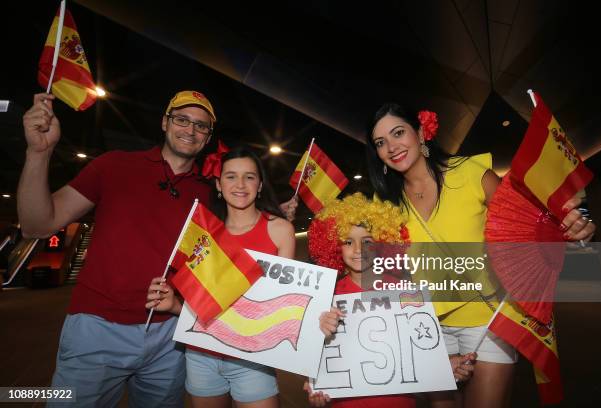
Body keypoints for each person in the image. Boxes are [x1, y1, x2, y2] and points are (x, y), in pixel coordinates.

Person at [365, 103, 596, 408]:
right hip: (427, 328)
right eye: (381, 143)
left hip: (489, 321)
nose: (392, 147)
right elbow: (387, 273)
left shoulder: (470, 173)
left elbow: (525, 224)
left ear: (421, 133)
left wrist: (573, 231)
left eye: (398, 133)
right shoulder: (383, 203)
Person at [18, 90, 217, 407]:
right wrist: (39, 153)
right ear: (165, 122)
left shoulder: (211, 194)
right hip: (96, 328)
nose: (191, 130)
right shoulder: (113, 166)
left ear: (207, 138)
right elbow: (37, 225)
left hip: (170, 337)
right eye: (182, 119)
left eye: (201, 126)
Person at [146, 146, 341, 408]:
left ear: (260, 185)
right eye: (230, 176)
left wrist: (317, 315)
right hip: (202, 353)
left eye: (249, 177)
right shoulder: (201, 234)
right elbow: (203, 307)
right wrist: (172, 306)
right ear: (218, 184)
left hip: (253, 358)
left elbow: (283, 305)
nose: (240, 184)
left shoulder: (280, 230)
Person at [303, 193, 476, 408]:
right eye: (348, 241)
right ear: (335, 247)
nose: (358, 250)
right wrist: (316, 385)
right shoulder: (327, 297)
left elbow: (420, 350)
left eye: (367, 241)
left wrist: (446, 367)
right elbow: (316, 358)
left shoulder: (405, 291)